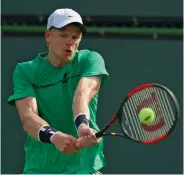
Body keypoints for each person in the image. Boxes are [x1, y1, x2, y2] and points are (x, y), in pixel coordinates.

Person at [8, 8, 109, 174]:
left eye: (75, 36)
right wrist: (53, 136)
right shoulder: (25, 71)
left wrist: (82, 126)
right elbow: (28, 117)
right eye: (63, 35)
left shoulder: (90, 60)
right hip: (40, 169)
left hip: (83, 168)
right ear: (48, 36)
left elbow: (82, 94)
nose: (70, 41)